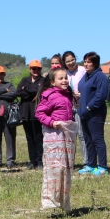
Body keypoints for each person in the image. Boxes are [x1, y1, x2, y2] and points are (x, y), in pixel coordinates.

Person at [35, 67, 76, 210]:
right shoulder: (50, 96)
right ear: (52, 82)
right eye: (61, 78)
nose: (65, 80)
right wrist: (52, 123)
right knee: (55, 167)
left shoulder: (67, 95)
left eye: (66, 77)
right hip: (54, 136)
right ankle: (49, 200)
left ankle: (63, 201)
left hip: (67, 137)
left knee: (66, 168)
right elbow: (40, 114)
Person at [77, 52, 109, 176]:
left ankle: (102, 167)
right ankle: (91, 165)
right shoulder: (86, 76)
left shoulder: (100, 76)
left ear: (95, 63)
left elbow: (100, 96)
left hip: (95, 113)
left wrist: (89, 108)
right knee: (88, 140)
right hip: (84, 113)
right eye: (85, 61)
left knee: (97, 139)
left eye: (89, 62)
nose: (86, 64)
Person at [16, 60, 45, 170]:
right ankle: (32, 161)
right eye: (34, 68)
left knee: (38, 137)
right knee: (29, 138)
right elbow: (18, 92)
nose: (36, 70)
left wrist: (27, 90)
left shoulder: (43, 80)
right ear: (30, 69)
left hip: (37, 112)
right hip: (25, 113)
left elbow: (40, 91)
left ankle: (40, 161)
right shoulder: (25, 80)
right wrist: (33, 92)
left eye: (38, 68)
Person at [63, 51, 88, 164]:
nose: (71, 62)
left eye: (72, 59)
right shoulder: (64, 73)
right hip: (68, 105)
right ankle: (70, 162)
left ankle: (86, 161)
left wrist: (82, 94)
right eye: (68, 61)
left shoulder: (83, 70)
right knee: (69, 135)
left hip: (81, 104)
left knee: (82, 134)